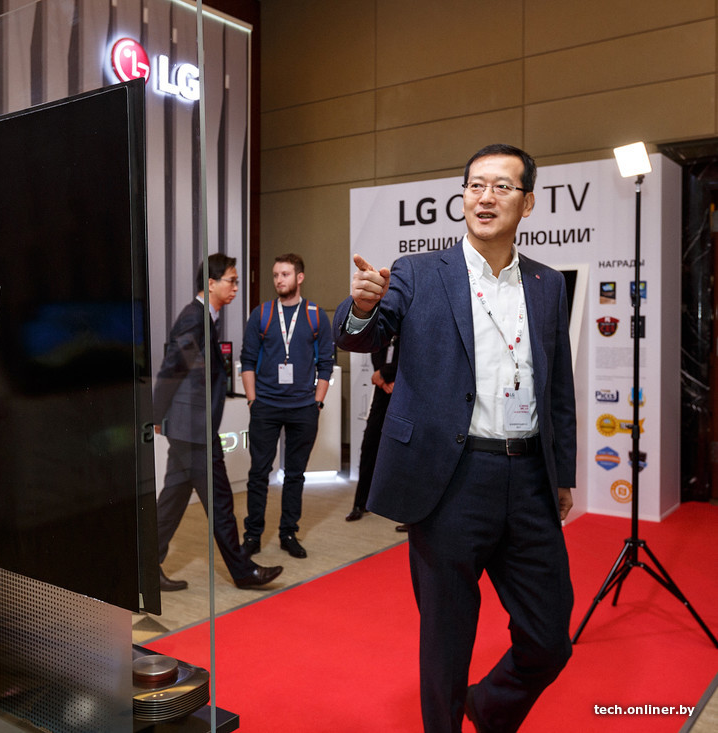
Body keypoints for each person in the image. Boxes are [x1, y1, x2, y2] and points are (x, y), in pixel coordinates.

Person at [333, 144, 577, 733]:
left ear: (527, 203)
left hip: (529, 479)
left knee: (549, 637)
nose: (485, 197)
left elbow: (559, 386)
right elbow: (362, 334)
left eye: (501, 187)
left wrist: (562, 473)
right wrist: (362, 305)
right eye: (474, 185)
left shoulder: (546, 284)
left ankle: (487, 707)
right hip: (449, 482)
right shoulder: (418, 272)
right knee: (446, 642)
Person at [153, 253, 283, 591]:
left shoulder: (203, 318)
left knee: (172, 502)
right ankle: (243, 572)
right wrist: (155, 415)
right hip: (193, 429)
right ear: (211, 284)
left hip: (190, 427)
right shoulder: (194, 318)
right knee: (221, 503)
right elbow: (172, 368)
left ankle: (142, 568)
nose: (236, 287)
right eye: (232, 281)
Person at [239, 254, 334, 559]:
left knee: (295, 475)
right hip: (266, 406)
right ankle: (252, 535)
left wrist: (317, 403)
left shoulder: (316, 316)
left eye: (285, 274)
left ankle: (288, 533)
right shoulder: (262, 314)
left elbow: (326, 364)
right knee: (258, 473)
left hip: (303, 408)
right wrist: (252, 400)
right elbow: (247, 360)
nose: (279, 280)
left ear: (299, 277)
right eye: (276, 275)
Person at [345, 333, 398, 524]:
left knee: (408, 453)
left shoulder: (415, 326)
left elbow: (414, 357)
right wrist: (382, 377)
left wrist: (384, 374)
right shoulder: (385, 328)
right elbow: (376, 350)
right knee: (369, 446)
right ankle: (361, 503)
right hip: (382, 392)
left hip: (407, 391)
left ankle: (409, 514)